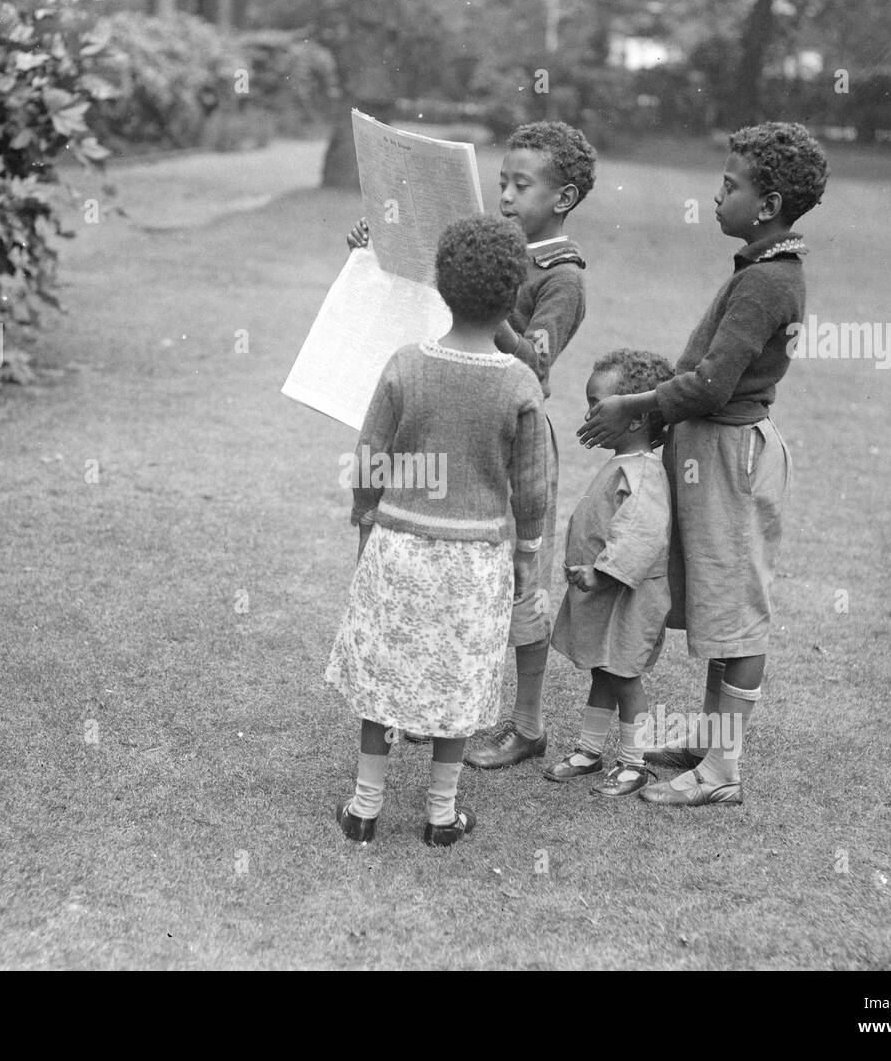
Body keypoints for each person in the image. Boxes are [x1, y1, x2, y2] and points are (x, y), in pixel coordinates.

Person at [577, 122, 829, 806]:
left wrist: (632, 402)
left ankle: (722, 772)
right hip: (707, 450)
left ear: (768, 203)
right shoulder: (760, 268)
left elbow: (714, 385)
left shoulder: (768, 281)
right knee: (716, 605)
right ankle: (714, 742)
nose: (716, 196)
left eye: (729, 186)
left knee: (735, 611)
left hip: (730, 459)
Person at [348, 121, 598, 769]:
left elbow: (536, 368)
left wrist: (488, 304)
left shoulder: (562, 279)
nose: (507, 196)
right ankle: (426, 700)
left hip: (511, 433)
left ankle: (529, 721)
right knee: (443, 566)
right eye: (502, 183)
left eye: (523, 185)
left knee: (521, 582)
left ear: (564, 197)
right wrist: (381, 249)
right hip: (454, 417)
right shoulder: (497, 250)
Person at [326, 215, 548, 847]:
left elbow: (371, 456)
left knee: (383, 670)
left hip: (400, 545)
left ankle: (365, 809)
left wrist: (365, 519)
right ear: (512, 301)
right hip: (476, 558)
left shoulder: (405, 365)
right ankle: (441, 816)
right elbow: (532, 486)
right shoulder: (518, 382)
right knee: (458, 677)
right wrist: (528, 553)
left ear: (440, 286)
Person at [545, 350, 675, 798]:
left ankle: (635, 762)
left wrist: (602, 575)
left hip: (628, 596)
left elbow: (641, 535)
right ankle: (589, 749)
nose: (588, 414)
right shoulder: (624, 464)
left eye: (597, 404)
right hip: (607, 593)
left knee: (624, 675)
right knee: (604, 671)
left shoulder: (644, 476)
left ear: (635, 418)